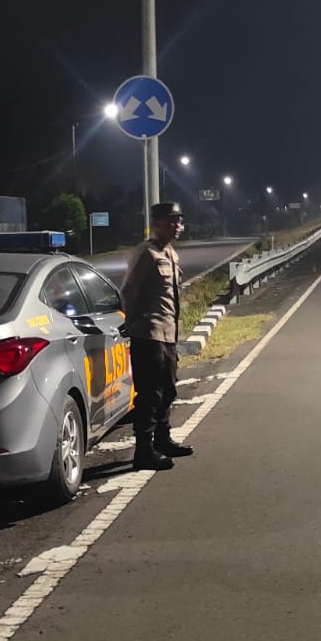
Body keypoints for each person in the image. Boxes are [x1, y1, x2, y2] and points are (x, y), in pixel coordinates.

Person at [120, 200, 195, 472]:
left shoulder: (170, 253)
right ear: (157, 224)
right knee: (150, 394)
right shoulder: (147, 254)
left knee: (168, 389)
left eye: (180, 220)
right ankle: (144, 451)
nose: (178, 226)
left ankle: (163, 440)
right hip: (149, 334)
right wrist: (131, 323)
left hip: (168, 333)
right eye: (172, 221)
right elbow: (129, 291)